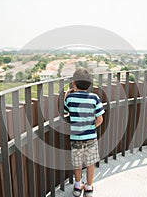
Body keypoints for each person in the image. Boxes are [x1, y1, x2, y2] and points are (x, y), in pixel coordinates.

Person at [64, 67, 105, 197]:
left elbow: (65, 111)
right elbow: (100, 118)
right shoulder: (94, 98)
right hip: (91, 137)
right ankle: (88, 188)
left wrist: (66, 94)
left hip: (75, 138)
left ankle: (77, 186)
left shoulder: (70, 98)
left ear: (74, 83)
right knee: (90, 163)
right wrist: (92, 127)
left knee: (77, 163)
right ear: (89, 84)